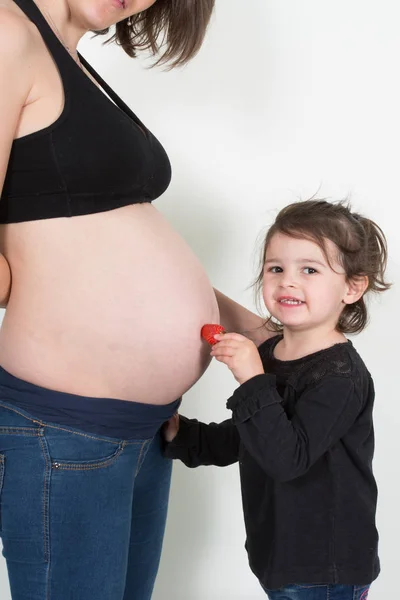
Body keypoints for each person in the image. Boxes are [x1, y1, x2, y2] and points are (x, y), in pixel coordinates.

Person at [0, 1, 271, 599]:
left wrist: (260, 330)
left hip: (145, 426)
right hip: (64, 423)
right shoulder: (7, 33)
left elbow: (99, 239)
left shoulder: (75, 62)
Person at [164, 199, 391, 600]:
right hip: (281, 556)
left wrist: (252, 378)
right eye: (276, 268)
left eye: (309, 269)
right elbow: (251, 437)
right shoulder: (274, 356)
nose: (287, 281)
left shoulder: (339, 377)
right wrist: (185, 436)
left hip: (325, 567)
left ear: (352, 287)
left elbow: (287, 459)